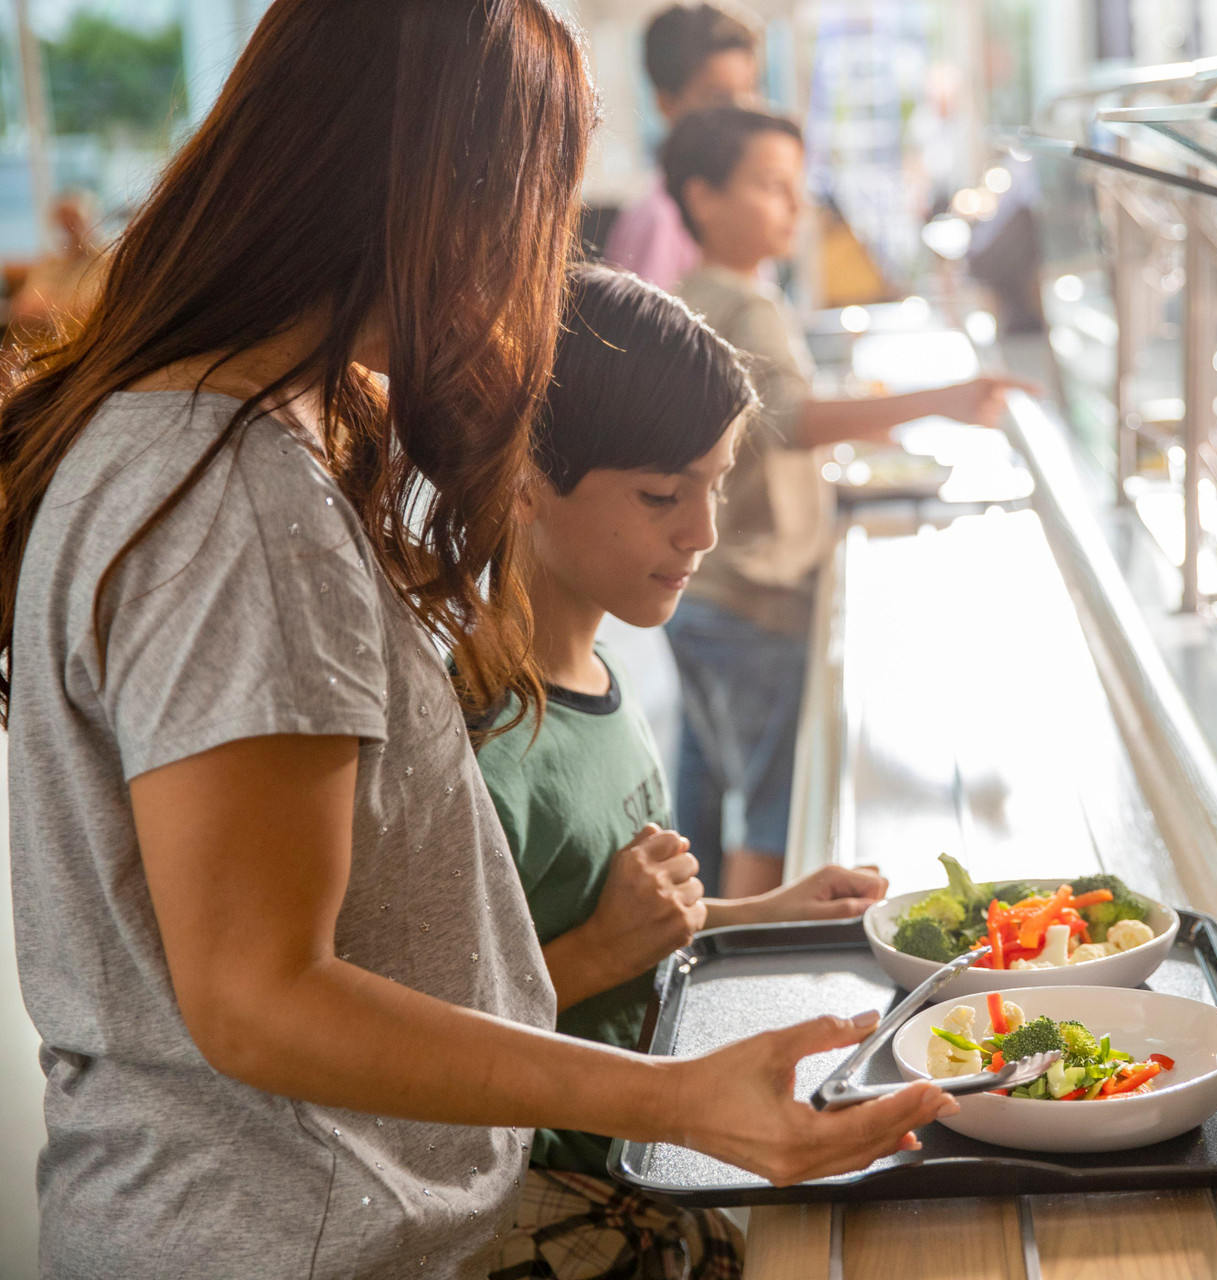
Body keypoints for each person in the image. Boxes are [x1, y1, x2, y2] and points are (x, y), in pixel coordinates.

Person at [0, 4, 951, 1277]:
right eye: (537, 213)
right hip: (300, 1234)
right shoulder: (239, 501)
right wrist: (675, 1099)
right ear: (438, 193)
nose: (534, 271)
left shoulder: (238, 429)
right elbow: (259, 997)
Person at [480, 265, 895, 1278]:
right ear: (525, 478)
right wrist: (597, 953)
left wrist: (766, 914)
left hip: (644, 1154)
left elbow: (621, 927)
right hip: (554, 1208)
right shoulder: (484, 746)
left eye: (715, 484)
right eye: (664, 494)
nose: (703, 532)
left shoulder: (599, 670)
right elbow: (418, 1041)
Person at [663, 105, 1026, 897]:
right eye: (770, 186)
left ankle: (691, 948)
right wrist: (946, 400)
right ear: (704, 198)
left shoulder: (700, 292)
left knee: (711, 793)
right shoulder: (746, 304)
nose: (794, 205)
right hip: (754, 600)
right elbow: (791, 420)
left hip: (708, 594)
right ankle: (745, 954)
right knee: (770, 819)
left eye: (796, 186)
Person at [602, 3, 760, 289]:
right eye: (719, 98)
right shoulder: (658, 220)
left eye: (749, 93)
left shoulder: (741, 205)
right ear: (667, 104)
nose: (741, 115)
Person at [3, 192, 106, 351]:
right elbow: (26, 306)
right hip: (37, 344)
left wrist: (48, 307)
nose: (69, 230)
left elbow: (91, 308)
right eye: (63, 224)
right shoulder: (48, 263)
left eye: (74, 221)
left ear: (92, 221)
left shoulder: (106, 260)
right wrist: (60, 307)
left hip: (84, 344)